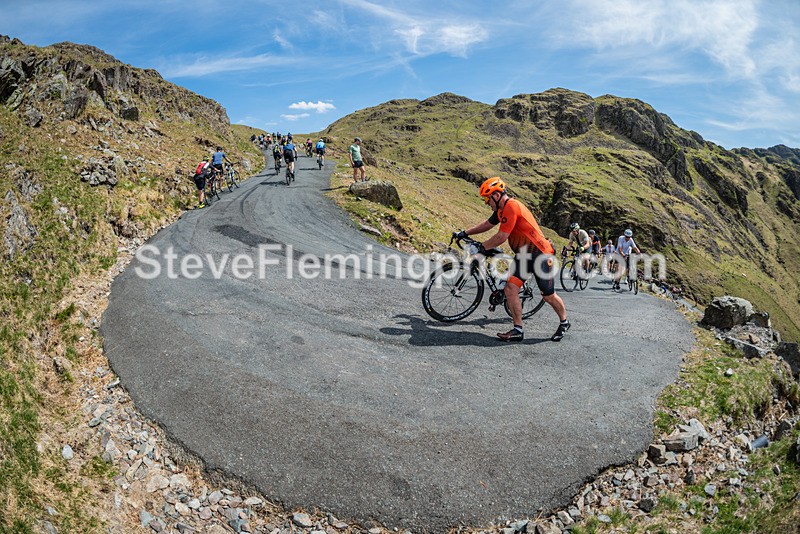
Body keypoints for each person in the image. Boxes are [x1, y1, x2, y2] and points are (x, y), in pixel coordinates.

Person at [455, 177, 570, 342]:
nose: (486, 203)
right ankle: (518, 330)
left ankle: (564, 322)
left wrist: (481, 247)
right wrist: (465, 233)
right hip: (524, 256)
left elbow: (502, 236)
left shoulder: (512, 206)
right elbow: (487, 224)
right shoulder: (501, 210)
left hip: (541, 255)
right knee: (510, 288)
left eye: (487, 199)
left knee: (548, 296)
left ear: (496, 195)